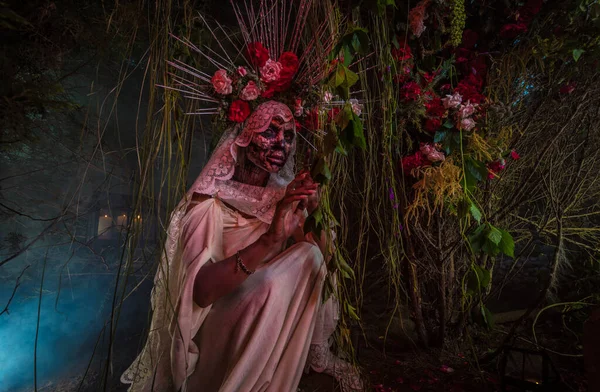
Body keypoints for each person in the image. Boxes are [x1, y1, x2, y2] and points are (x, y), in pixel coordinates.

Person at [121, 101, 363, 391]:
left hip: (267, 319)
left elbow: (326, 265)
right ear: (243, 136)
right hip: (218, 327)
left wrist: (315, 213)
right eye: (269, 132)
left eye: (288, 136)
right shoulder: (211, 201)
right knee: (270, 283)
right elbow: (201, 291)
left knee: (309, 254)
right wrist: (270, 240)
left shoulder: (283, 197)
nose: (281, 145)